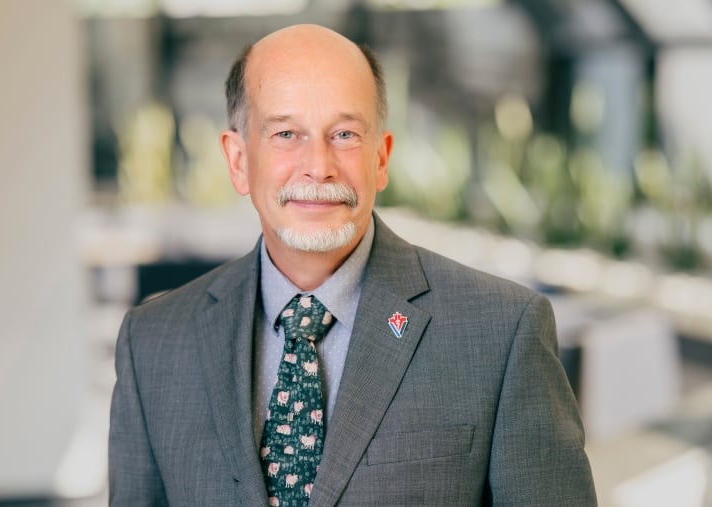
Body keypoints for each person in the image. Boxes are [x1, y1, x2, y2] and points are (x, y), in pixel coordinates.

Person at [108, 24, 597, 506]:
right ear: (238, 161)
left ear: (381, 158)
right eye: (285, 133)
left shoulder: (500, 332)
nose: (318, 165)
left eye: (344, 134)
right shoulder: (153, 345)